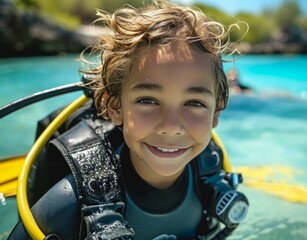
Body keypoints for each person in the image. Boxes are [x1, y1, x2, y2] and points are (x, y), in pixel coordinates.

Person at [8, 1, 248, 239]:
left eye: (195, 103)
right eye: (148, 100)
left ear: (216, 113)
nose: (171, 126)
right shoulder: (70, 204)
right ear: (115, 108)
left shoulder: (211, 182)